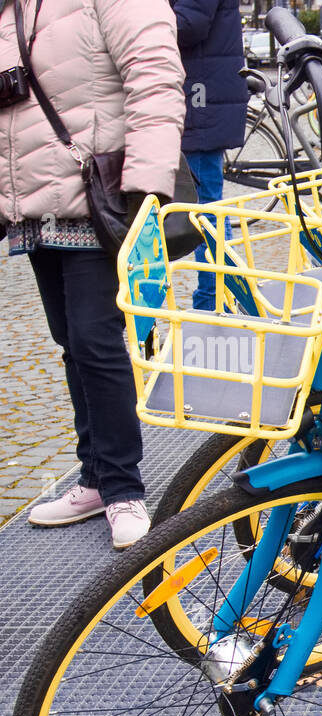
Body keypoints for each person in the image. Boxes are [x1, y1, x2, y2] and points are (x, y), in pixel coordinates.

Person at [1, 0, 184, 550]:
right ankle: (95, 477)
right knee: (71, 343)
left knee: (95, 339)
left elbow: (154, 76)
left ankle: (123, 486)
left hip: (99, 197)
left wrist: (145, 189)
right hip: (36, 204)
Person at [172, 0, 249, 312]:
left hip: (200, 106)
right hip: (199, 100)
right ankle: (215, 296)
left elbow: (189, 24)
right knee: (204, 207)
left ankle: (213, 298)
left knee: (204, 209)